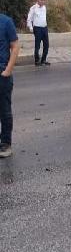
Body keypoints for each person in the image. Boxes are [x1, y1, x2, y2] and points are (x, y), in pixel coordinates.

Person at [0, 11, 20, 158]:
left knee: (4, 110)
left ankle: (6, 144)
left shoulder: (6, 22)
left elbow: (15, 47)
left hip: (2, 74)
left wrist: (8, 70)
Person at [27, 0, 49, 66]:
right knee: (37, 46)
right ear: (37, 0)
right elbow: (29, 19)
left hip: (44, 28)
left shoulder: (44, 7)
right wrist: (31, 28)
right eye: (41, 0)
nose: (43, 1)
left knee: (46, 45)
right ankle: (37, 61)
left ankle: (43, 60)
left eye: (43, 0)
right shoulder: (33, 8)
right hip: (37, 29)